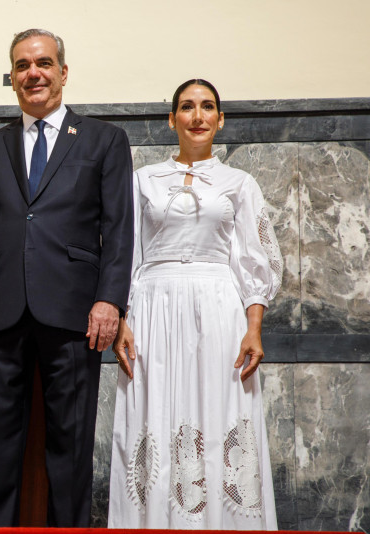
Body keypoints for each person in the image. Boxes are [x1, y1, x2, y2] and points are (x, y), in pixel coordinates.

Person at [0, 29, 134, 527]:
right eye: (23, 65)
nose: (33, 73)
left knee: (71, 452)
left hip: (76, 314)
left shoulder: (104, 140)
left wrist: (110, 300)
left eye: (44, 63)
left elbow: (118, 228)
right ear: (12, 79)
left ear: (63, 73)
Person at [108, 79, 282, 529]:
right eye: (187, 107)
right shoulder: (142, 179)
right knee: (154, 410)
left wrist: (254, 328)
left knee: (222, 409)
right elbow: (126, 252)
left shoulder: (240, 183)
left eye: (208, 108)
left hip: (219, 306)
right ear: (172, 119)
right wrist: (123, 317)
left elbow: (254, 261)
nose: (198, 116)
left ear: (220, 119)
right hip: (153, 306)